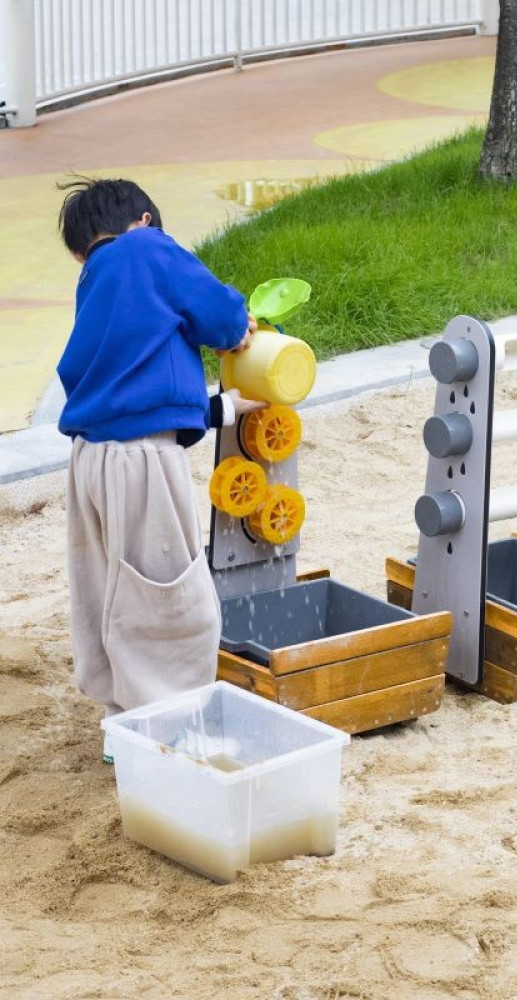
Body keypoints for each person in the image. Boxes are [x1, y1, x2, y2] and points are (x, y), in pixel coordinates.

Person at [56, 177, 266, 758]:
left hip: (91, 460)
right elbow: (219, 315)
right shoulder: (148, 248)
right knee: (170, 596)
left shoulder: (96, 280)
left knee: (110, 587)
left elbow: (138, 387)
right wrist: (240, 324)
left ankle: (122, 720)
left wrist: (221, 408)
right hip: (142, 462)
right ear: (146, 221)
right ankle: (168, 726)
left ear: (82, 250)